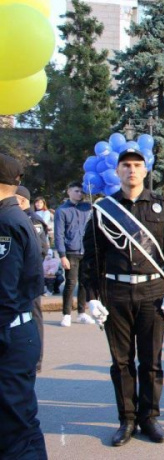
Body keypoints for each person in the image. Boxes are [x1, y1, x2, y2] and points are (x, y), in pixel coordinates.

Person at [80, 147, 164, 446]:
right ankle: (126, 420)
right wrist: (92, 296)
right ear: (117, 171)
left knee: (151, 361)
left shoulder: (163, 208)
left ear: (145, 170)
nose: (132, 170)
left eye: (137, 165)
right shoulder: (104, 209)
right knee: (122, 362)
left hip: (153, 292)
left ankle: (149, 418)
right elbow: (91, 258)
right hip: (116, 293)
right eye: (126, 165)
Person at [0, 154, 48, 459]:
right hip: (18, 330)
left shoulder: (5, 222)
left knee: (16, 429)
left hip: (10, 335)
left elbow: (5, 290)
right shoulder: (13, 217)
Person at [17, 185, 49, 373]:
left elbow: (40, 251)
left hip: (29, 279)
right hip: (17, 279)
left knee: (34, 317)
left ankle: (36, 359)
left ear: (21, 200)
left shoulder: (32, 220)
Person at [55, 181, 96, 327]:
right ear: (69, 191)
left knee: (85, 283)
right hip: (71, 252)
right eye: (76, 191)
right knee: (71, 283)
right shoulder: (62, 210)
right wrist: (62, 255)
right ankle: (66, 314)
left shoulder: (87, 207)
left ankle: (81, 313)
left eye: (81, 192)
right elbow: (59, 233)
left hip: (86, 250)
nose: (79, 194)